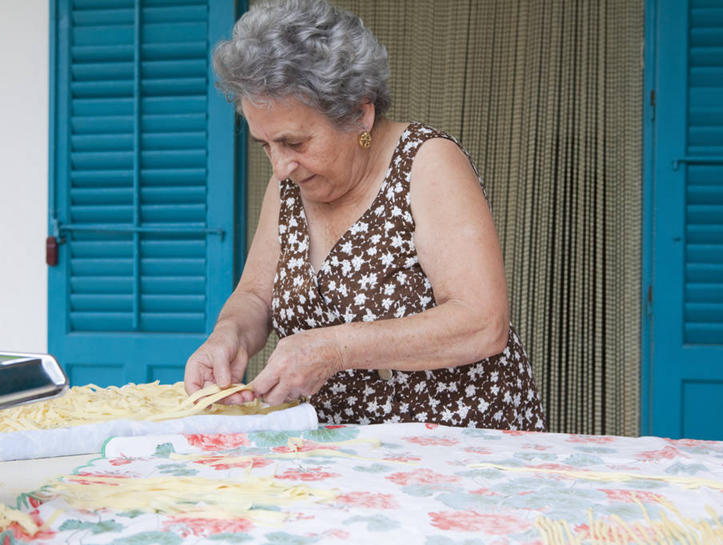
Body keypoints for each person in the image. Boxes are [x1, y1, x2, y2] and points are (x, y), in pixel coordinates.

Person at [185, 0, 546, 431]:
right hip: (340, 451)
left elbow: (482, 323)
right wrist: (227, 335)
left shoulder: (426, 164)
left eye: (294, 143)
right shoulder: (288, 183)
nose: (280, 167)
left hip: (457, 445)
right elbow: (255, 298)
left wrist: (334, 348)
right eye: (265, 145)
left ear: (359, 112)